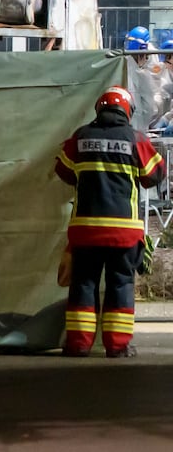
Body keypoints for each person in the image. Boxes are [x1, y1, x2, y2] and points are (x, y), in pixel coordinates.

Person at [54, 85, 166, 358]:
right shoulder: (135, 139)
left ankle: (78, 345)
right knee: (120, 285)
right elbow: (156, 174)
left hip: (86, 231)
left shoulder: (80, 137)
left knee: (83, 284)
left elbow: (63, 170)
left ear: (99, 109)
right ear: (127, 111)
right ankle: (117, 346)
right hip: (122, 233)